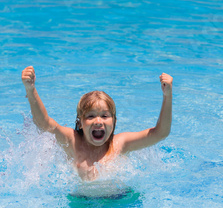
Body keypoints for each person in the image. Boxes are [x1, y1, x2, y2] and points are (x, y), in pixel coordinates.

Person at [21, 66, 173, 181]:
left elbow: (160, 133)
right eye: (91, 116)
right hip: (81, 201)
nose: (98, 121)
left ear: (114, 122)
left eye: (105, 116)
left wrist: (167, 96)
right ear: (80, 123)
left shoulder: (120, 144)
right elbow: (45, 124)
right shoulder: (72, 141)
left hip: (117, 199)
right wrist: (31, 88)